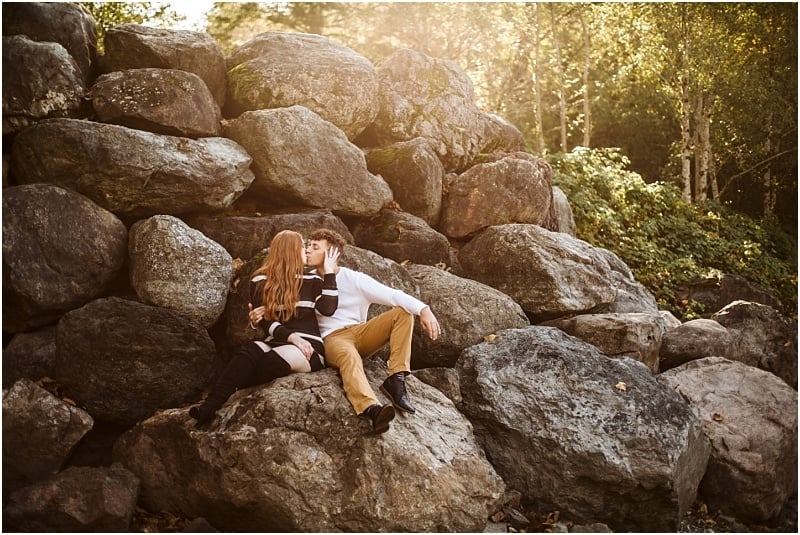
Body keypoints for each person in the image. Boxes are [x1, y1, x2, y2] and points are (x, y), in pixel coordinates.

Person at [250, 228, 441, 434]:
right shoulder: (305, 279)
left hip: (360, 332)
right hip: (331, 340)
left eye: (315, 247)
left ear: (332, 254)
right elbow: (281, 304)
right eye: (307, 246)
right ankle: (370, 408)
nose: (307, 250)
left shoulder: (354, 279)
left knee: (403, 313)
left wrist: (424, 309)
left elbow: (393, 295)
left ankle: (397, 378)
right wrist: (262, 312)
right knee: (349, 356)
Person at [190, 230, 340, 425]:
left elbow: (328, 309)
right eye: (303, 246)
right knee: (248, 351)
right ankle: (209, 407)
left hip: (309, 346)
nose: (306, 250)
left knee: (271, 361)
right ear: (291, 250)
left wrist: (329, 272)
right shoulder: (260, 280)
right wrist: (292, 337)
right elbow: (265, 321)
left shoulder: (313, 280)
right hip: (279, 338)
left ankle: (239, 386)